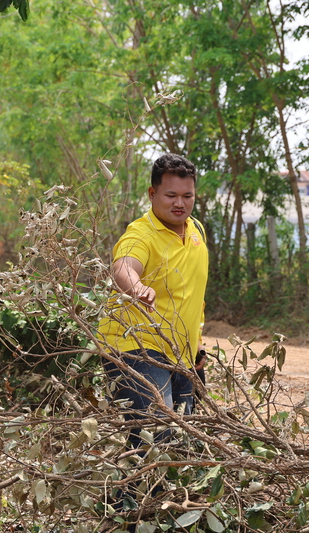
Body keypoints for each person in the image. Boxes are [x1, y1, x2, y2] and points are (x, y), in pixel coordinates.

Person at [98, 153, 208, 446]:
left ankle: (160, 493)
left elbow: (193, 294)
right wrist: (136, 288)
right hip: (135, 346)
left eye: (188, 195)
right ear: (152, 193)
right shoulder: (141, 234)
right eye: (170, 195)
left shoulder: (196, 232)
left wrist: (196, 348)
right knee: (157, 427)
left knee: (183, 438)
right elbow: (123, 266)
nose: (180, 203)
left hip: (181, 351)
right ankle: (126, 493)